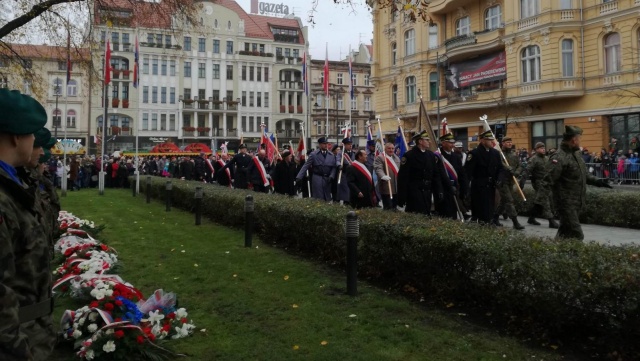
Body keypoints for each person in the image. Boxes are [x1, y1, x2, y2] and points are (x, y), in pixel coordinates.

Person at [0, 89, 56, 360]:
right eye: (32, 134)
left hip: (30, 330)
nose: (36, 143)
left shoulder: (11, 186)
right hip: (19, 340)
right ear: (15, 136)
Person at [548, 126, 612, 240]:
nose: (580, 141)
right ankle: (578, 256)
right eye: (579, 139)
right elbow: (548, 180)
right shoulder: (559, 157)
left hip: (576, 201)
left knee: (564, 231)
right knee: (577, 234)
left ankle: (554, 255)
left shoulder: (576, 154)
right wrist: (539, 202)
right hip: (565, 204)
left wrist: (599, 182)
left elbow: (584, 175)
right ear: (573, 140)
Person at [397, 131, 443, 215]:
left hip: (427, 191)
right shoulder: (409, 156)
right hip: (414, 192)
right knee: (416, 215)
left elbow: (436, 175)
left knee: (426, 215)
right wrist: (401, 197)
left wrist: (439, 190)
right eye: (427, 140)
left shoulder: (431, 155)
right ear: (420, 141)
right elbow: (403, 178)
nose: (429, 142)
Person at [465, 130, 503, 225]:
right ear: (482, 140)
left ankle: (489, 222)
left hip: (491, 185)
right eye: (489, 140)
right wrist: (465, 189)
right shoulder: (474, 153)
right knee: (481, 209)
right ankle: (481, 223)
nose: (492, 142)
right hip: (479, 186)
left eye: (492, 139)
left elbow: (500, 168)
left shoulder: (495, 153)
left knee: (490, 207)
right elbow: (467, 172)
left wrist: (499, 179)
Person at [494, 137, 525, 230]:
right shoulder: (499, 154)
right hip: (502, 180)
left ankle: (495, 217)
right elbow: (500, 163)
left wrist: (517, 172)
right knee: (509, 200)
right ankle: (515, 222)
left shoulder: (514, 154)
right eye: (507, 142)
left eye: (511, 142)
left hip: (511, 180)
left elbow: (520, 165)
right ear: (502, 143)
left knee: (504, 201)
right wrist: (508, 168)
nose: (510, 144)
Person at [435, 133, 468, 220]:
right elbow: (437, 175)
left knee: (453, 214)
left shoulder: (456, 157)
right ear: (443, 143)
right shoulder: (438, 156)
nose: (452, 145)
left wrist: (464, 189)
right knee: (444, 214)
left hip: (454, 189)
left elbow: (461, 173)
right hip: (443, 189)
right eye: (450, 143)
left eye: (453, 143)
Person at [527, 142, 559, 228]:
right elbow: (528, 170)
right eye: (541, 148)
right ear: (536, 149)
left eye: (544, 148)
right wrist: (522, 181)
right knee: (545, 200)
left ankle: (531, 218)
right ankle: (551, 221)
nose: (543, 149)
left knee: (540, 201)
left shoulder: (546, 158)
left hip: (546, 182)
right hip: (538, 182)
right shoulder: (533, 159)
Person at [296, 137, 336, 201]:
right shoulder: (314, 154)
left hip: (327, 179)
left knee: (327, 198)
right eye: (324, 143)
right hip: (317, 178)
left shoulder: (331, 155)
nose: (326, 145)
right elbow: (306, 165)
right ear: (320, 145)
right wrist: (299, 177)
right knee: (318, 198)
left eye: (326, 143)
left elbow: (334, 167)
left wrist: (332, 176)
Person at [374, 142, 400, 210]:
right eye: (389, 148)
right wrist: (383, 176)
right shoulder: (380, 157)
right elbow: (378, 168)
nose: (391, 150)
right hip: (387, 186)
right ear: (385, 149)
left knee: (395, 207)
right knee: (388, 207)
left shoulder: (396, 157)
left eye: (392, 148)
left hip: (396, 187)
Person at [336, 138, 355, 205]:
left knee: (351, 190)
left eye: (351, 144)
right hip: (344, 173)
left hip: (352, 174)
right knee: (345, 191)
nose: (350, 146)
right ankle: (346, 202)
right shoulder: (341, 153)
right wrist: (339, 165)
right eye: (348, 144)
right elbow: (338, 160)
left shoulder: (353, 153)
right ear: (344, 145)